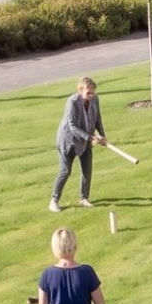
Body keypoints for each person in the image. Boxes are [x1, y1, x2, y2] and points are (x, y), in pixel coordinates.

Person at [50, 76, 108, 214]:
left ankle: (84, 198)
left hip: (86, 139)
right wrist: (90, 137)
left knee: (87, 170)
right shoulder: (72, 102)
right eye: (89, 93)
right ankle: (54, 200)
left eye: (93, 92)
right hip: (68, 141)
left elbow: (97, 118)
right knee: (65, 171)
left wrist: (102, 135)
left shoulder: (95, 99)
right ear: (80, 90)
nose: (92, 95)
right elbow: (72, 126)